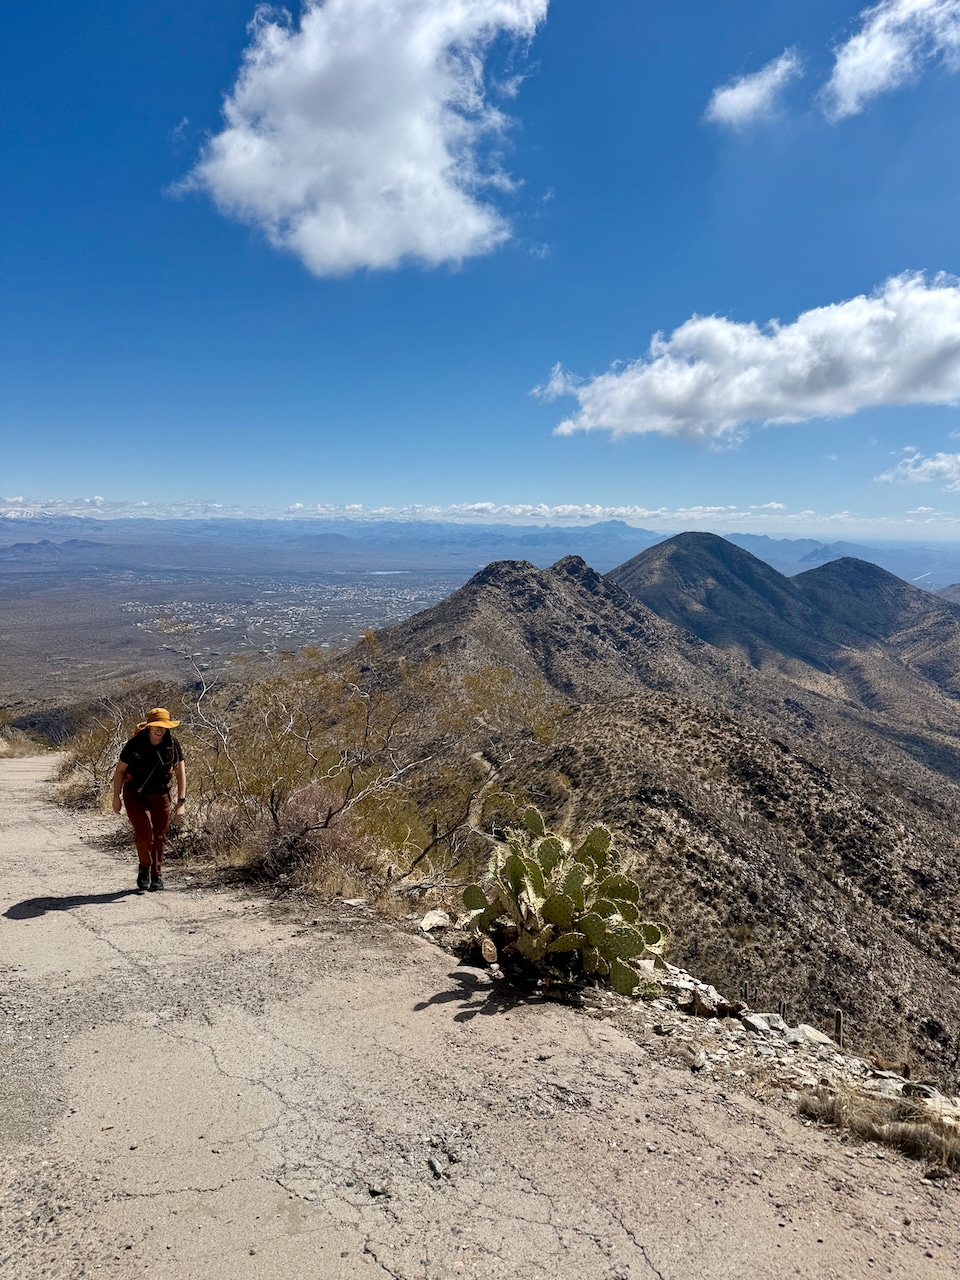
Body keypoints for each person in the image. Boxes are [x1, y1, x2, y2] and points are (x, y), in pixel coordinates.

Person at [112, 708, 186, 892]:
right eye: (156, 726)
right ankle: (144, 866)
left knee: (160, 836)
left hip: (161, 794)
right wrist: (116, 797)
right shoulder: (135, 744)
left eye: (163, 726)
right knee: (144, 834)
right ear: (149, 726)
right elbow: (120, 771)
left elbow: (180, 773)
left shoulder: (172, 744)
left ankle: (156, 875)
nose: (160, 729)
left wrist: (181, 802)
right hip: (134, 794)